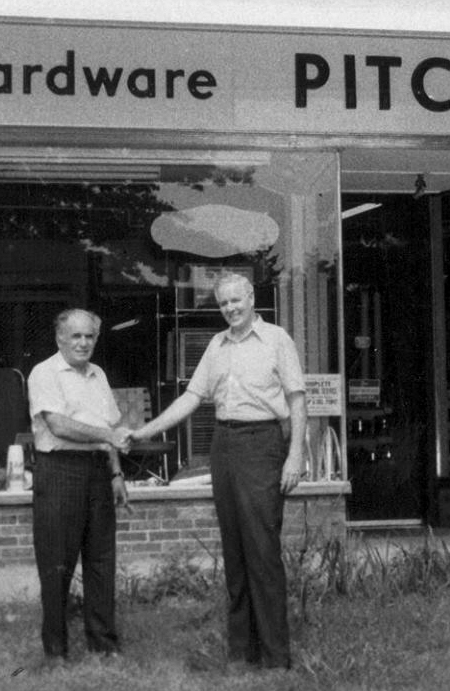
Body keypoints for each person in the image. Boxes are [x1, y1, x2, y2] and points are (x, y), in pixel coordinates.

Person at [129, 271, 306, 671]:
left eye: (236, 300)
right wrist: (144, 432)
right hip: (223, 444)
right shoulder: (216, 344)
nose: (230, 309)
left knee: (262, 549)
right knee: (235, 550)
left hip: (262, 442)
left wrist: (295, 455)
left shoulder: (277, 339)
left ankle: (276, 656)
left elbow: (297, 399)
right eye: (223, 303)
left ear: (251, 298)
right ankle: (241, 652)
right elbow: (192, 397)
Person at [26, 310, 132, 661]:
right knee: (57, 564)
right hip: (60, 471)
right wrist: (108, 436)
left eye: (89, 336)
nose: (83, 343)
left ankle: (103, 645)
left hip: (98, 472)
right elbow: (58, 425)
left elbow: (108, 429)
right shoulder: (44, 373)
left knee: (101, 560)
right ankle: (56, 652)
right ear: (60, 338)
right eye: (76, 336)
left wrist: (116, 474)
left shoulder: (98, 375)